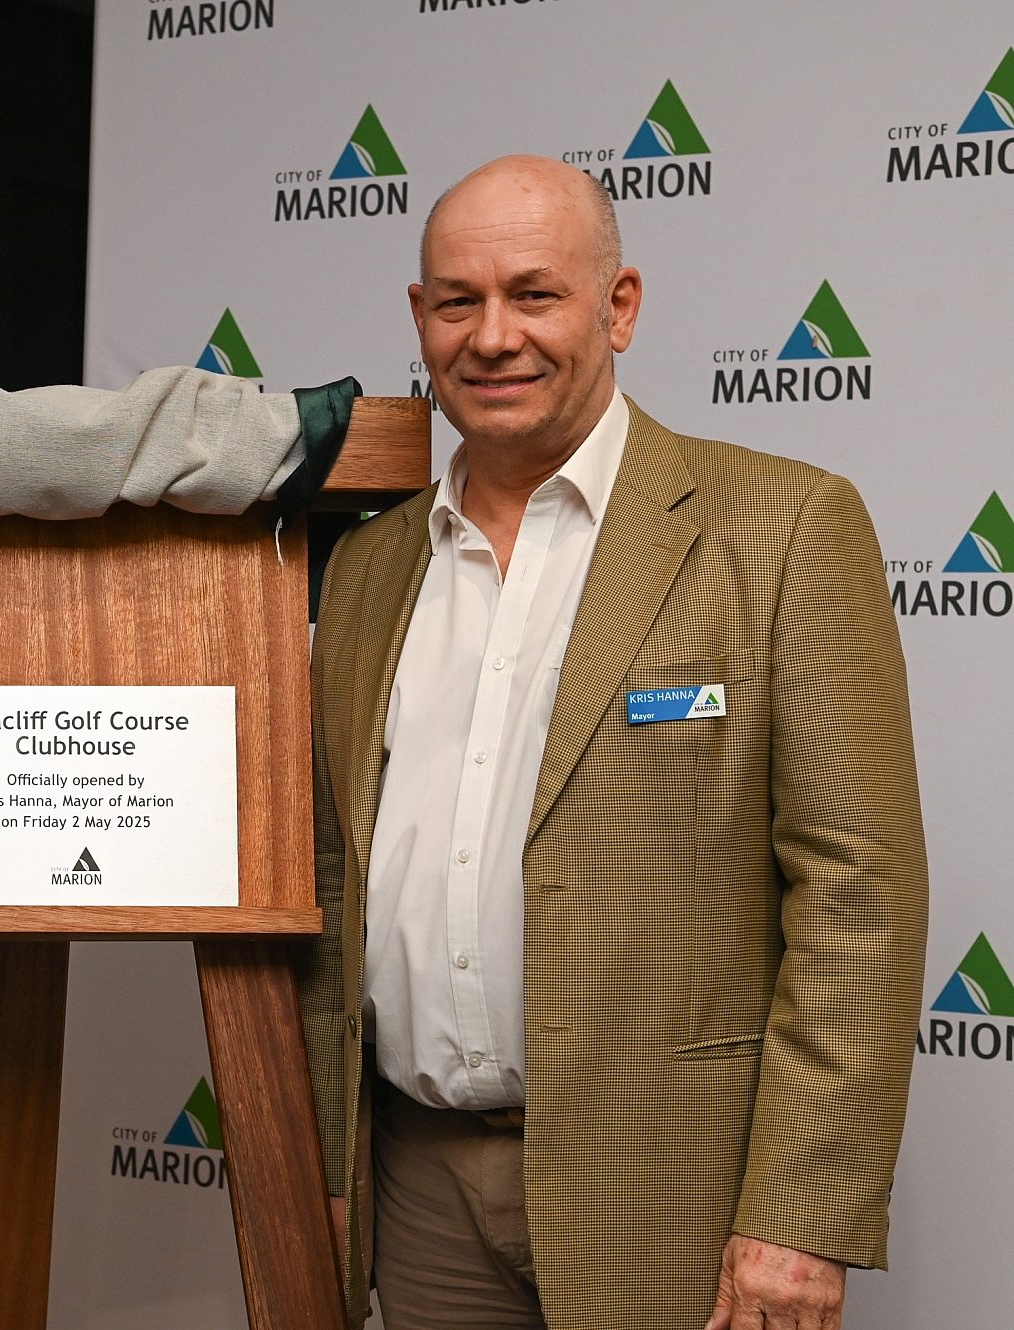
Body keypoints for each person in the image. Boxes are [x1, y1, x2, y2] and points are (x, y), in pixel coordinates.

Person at [297, 155, 927, 1330]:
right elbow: (333, 883)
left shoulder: (780, 529)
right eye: (456, 301)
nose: (492, 337)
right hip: (418, 1191)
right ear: (418, 317)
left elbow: (859, 898)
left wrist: (800, 1214)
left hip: (676, 1195)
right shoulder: (370, 565)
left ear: (617, 305)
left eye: (533, 294)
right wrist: (323, 1167)